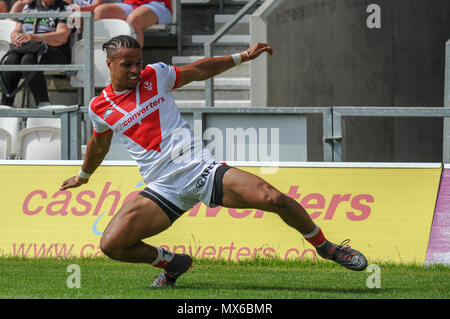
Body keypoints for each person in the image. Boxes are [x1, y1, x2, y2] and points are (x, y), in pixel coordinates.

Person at [60, 35, 368, 288]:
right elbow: (99, 144)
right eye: (127, 64)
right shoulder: (99, 107)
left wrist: (243, 57)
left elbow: (200, 69)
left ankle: (325, 247)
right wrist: (83, 175)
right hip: (163, 187)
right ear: (109, 64)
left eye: (138, 63)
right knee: (111, 245)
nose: (135, 70)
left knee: (273, 198)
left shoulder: (157, 75)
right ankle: (173, 263)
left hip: (201, 169)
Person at [1, 0, 72, 107]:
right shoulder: (29, 7)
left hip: (54, 49)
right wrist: (16, 37)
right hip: (28, 47)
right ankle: (6, 105)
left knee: (28, 59)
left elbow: (62, 36)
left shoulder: (65, 8)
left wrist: (35, 37)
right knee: (12, 59)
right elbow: (17, 30)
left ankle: (43, 103)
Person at [93, 0, 172, 47]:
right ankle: (102, 66)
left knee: (133, 20)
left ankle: (132, 69)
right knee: (100, 12)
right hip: (130, 4)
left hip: (158, 4)